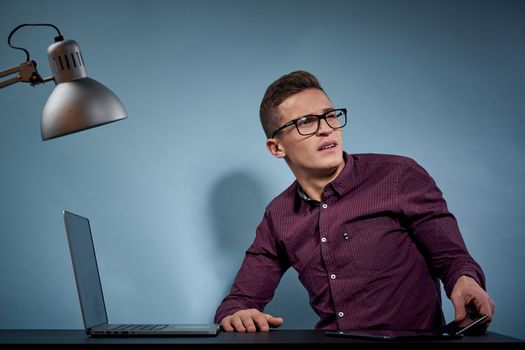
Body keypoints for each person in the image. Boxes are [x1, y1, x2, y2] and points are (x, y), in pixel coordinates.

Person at [214, 70, 495, 332]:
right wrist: (238, 315)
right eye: (306, 122)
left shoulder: (399, 176)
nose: (326, 129)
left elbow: (453, 259)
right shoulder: (278, 215)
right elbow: (238, 302)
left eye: (330, 116)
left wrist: (465, 282)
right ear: (276, 148)